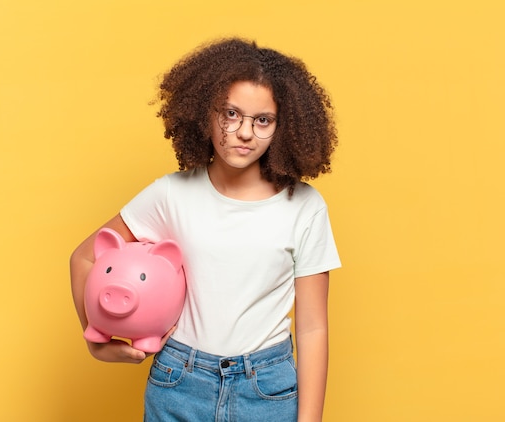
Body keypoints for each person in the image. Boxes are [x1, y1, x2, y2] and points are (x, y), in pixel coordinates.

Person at [70, 37, 341, 421]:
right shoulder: (171, 194)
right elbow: (83, 257)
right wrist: (96, 340)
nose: (244, 132)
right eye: (231, 113)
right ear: (205, 112)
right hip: (179, 384)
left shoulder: (305, 208)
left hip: (267, 390)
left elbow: (313, 327)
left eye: (262, 120)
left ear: (284, 127)